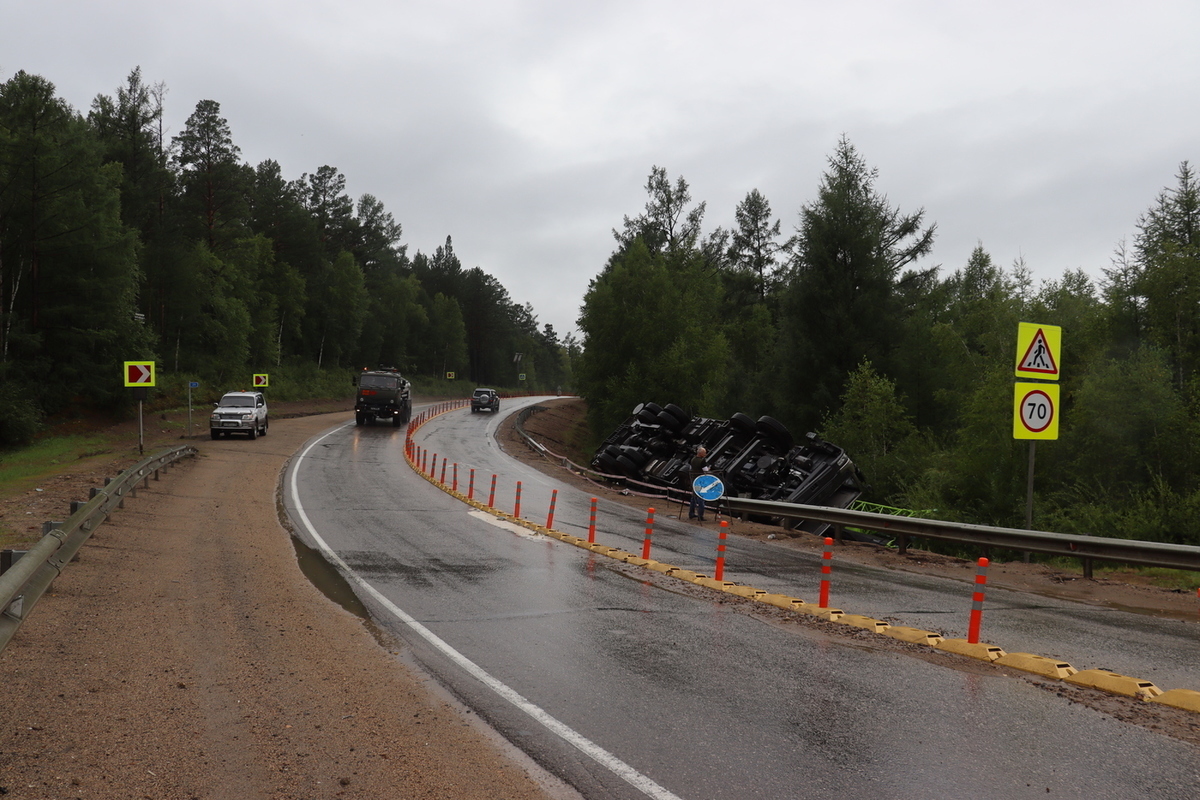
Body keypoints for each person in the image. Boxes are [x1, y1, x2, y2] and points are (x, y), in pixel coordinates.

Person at [688, 446, 708, 522]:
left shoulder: (693, 459)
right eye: (704, 453)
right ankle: (700, 516)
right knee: (701, 498)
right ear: (701, 453)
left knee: (693, 497)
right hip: (700, 481)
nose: (705, 454)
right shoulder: (702, 461)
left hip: (694, 480)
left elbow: (690, 469)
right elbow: (706, 471)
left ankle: (691, 513)